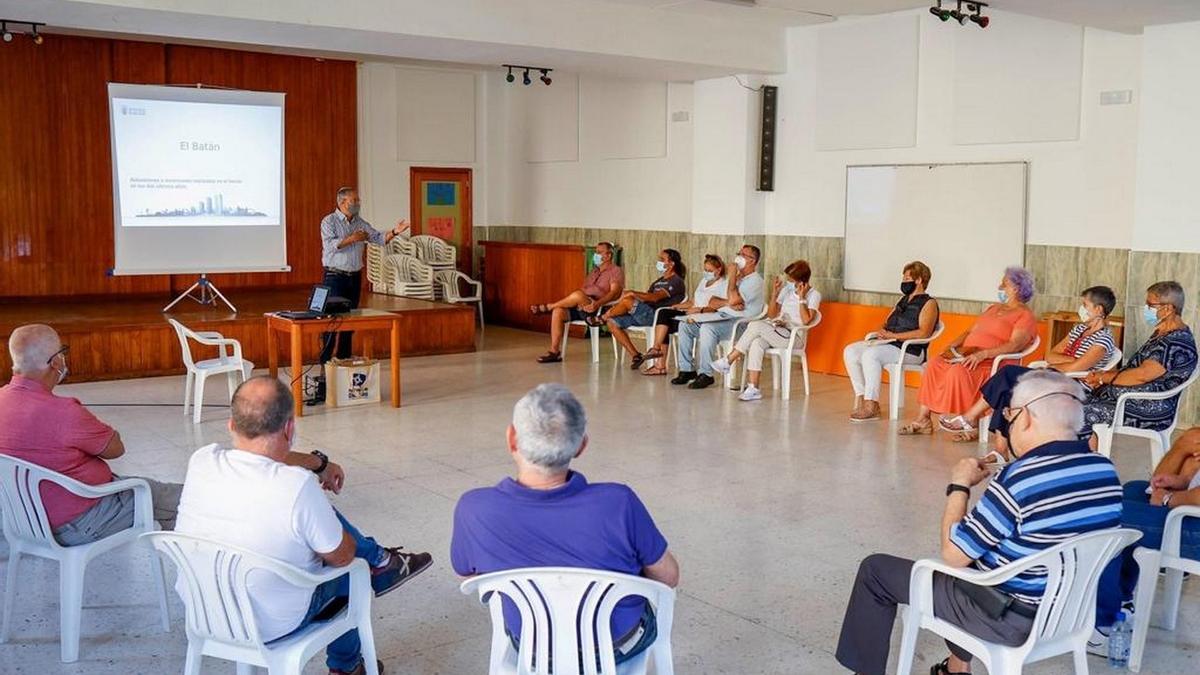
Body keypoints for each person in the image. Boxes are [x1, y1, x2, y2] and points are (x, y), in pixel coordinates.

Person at [835, 369, 1122, 675]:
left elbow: (954, 553)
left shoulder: (1021, 479)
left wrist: (959, 486)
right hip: (1068, 614)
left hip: (1009, 617)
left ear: (1025, 418)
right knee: (972, 568)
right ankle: (957, 668)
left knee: (877, 571)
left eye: (1008, 415)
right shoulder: (1105, 471)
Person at [176, 376, 433, 675]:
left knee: (314, 529)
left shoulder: (202, 460)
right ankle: (348, 666)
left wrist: (318, 464)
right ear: (290, 428)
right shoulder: (295, 486)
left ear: (231, 426)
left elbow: (261, 458)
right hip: (274, 624)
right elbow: (341, 557)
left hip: (203, 613)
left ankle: (382, 561)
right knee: (352, 574)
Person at [450, 384, 680, 665]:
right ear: (582, 445)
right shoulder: (618, 502)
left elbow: (469, 578)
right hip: (619, 643)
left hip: (533, 646)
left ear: (511, 439)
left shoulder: (474, 508)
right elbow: (668, 577)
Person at [0, 323, 182, 546]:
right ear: (55, 362)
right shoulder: (63, 412)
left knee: (139, 485)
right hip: (79, 521)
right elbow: (116, 449)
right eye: (62, 353)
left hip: (20, 520)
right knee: (176, 499)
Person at [939, 285, 1119, 444]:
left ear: (1099, 309)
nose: (1081, 309)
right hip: (1053, 377)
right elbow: (1051, 354)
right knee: (1008, 382)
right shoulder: (1080, 329)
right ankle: (982, 431)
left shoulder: (1104, 340)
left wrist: (1061, 365)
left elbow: (1076, 369)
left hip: (1073, 387)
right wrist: (1068, 362)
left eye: (1085, 305)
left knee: (1009, 379)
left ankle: (975, 424)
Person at [1090, 427, 1200, 655]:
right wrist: (1185, 463)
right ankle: (1120, 600)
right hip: (1190, 508)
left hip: (1194, 525)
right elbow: (1156, 484)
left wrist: (1171, 498)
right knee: (1132, 491)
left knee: (1110, 516)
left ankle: (1103, 626)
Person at [898, 266, 1038, 435]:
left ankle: (969, 424)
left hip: (991, 361)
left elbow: (1015, 345)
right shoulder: (993, 308)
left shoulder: (1025, 315)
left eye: (1004, 284)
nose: (1000, 287)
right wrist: (951, 348)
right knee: (933, 364)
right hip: (968, 354)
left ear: (1016, 288)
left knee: (958, 371)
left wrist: (983, 354)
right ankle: (924, 419)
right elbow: (969, 332)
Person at [313, 187, 408, 404]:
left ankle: (343, 373)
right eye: (354, 200)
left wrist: (395, 231)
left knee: (348, 326)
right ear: (342, 202)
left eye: (358, 199)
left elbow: (378, 238)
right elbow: (330, 245)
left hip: (354, 279)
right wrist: (353, 238)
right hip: (334, 277)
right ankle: (324, 379)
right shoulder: (328, 221)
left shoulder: (360, 222)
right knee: (330, 326)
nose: (358, 202)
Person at [1078, 281, 1198, 445]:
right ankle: (1089, 457)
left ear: (1168, 309)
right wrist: (1101, 379)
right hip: (1126, 398)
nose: (1146, 309)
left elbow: (1141, 376)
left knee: (1077, 415)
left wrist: (1102, 378)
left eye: (1150, 305)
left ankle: (1087, 465)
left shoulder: (1176, 343)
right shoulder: (1162, 333)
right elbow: (1134, 369)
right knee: (1068, 400)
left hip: (1149, 407)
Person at [841, 261, 940, 422]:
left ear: (919, 280)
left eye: (907, 278)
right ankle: (862, 395)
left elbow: (924, 332)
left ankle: (871, 405)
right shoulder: (903, 300)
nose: (904, 282)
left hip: (911, 351)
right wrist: (882, 333)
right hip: (890, 344)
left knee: (871, 355)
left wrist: (894, 336)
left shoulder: (929, 303)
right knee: (851, 351)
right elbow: (888, 322)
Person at [710, 260, 820, 401]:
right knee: (756, 343)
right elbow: (772, 315)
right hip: (778, 331)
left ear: (802, 281)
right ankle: (753, 388)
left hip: (794, 338)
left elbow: (806, 321)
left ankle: (729, 359)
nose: (789, 283)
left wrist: (802, 298)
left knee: (755, 325)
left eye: (791, 280)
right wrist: (775, 294)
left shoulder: (814, 295)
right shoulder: (787, 290)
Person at [672, 244, 766, 390]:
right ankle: (687, 370)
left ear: (752, 260)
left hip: (741, 324)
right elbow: (713, 301)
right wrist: (729, 302)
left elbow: (734, 300)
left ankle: (706, 374)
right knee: (685, 325)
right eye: (738, 253)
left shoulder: (755, 281)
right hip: (722, 316)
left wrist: (733, 280)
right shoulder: (733, 279)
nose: (738, 257)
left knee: (708, 328)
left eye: (743, 255)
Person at [533, 241, 625, 364]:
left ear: (608, 256)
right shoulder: (594, 271)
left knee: (577, 295)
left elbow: (615, 293)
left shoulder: (616, 271)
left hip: (598, 309)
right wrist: (579, 301)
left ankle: (548, 307)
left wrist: (597, 304)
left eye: (599, 252)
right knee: (558, 311)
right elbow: (584, 290)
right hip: (582, 305)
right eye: (595, 252)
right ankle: (554, 352)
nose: (595, 255)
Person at [641, 254, 729, 376]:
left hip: (703, 316)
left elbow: (718, 308)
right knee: (663, 313)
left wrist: (699, 310)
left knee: (665, 325)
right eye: (705, 270)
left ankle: (660, 362)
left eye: (709, 271)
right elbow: (693, 301)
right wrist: (677, 306)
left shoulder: (724, 285)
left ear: (718, 270)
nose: (706, 273)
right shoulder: (704, 281)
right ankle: (659, 354)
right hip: (691, 312)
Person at [603, 249, 688, 369]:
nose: (659, 262)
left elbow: (654, 298)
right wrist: (633, 298)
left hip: (656, 316)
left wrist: (633, 294)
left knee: (627, 301)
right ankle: (636, 355)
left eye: (662, 260)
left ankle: (602, 316)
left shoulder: (676, 281)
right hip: (643, 313)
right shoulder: (658, 281)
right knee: (612, 322)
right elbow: (646, 298)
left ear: (672, 263)